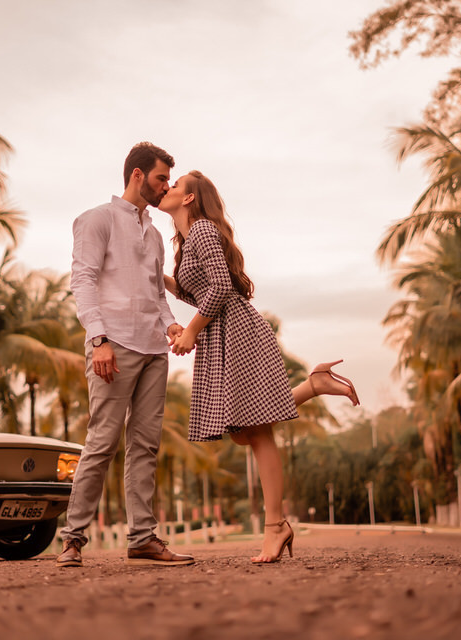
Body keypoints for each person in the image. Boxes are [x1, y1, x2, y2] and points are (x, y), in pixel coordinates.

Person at [159, 170, 360, 564]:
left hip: (236, 329)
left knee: (256, 430)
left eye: (175, 184)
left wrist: (191, 332)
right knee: (243, 432)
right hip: (224, 331)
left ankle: (275, 526)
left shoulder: (201, 230)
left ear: (188, 198)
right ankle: (314, 385)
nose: (167, 187)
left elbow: (218, 288)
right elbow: (198, 288)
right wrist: (159, 278)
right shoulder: (188, 240)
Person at [58, 142, 195, 568]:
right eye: (160, 178)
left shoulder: (153, 234)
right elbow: (82, 279)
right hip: (113, 346)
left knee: (144, 447)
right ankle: (72, 540)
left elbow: (156, 294)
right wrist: (97, 339)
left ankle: (142, 538)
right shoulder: (96, 220)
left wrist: (171, 323)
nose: (165, 187)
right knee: (101, 442)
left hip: (155, 349)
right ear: (137, 175)